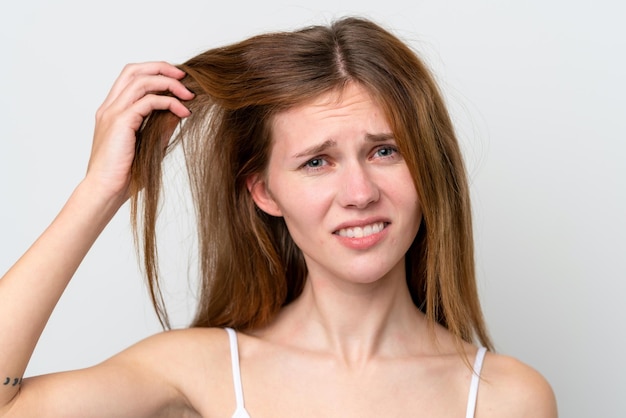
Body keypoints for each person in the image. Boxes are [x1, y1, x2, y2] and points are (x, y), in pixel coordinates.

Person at [0, 16, 557, 417]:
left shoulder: (505, 397)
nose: (359, 192)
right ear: (264, 191)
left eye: (385, 151)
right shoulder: (199, 371)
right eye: (317, 161)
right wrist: (100, 191)